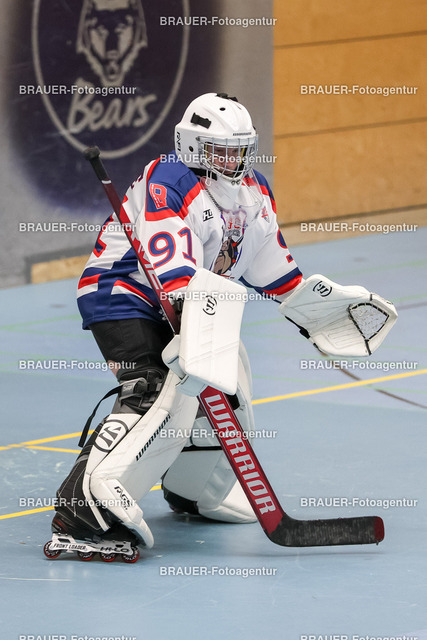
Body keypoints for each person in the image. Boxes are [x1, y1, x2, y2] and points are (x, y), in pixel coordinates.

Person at [45, 92, 396, 561]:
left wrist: (317, 307)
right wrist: (196, 335)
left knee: (232, 386)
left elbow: (273, 271)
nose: (233, 160)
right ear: (191, 145)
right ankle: (82, 509)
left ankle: (195, 491)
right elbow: (173, 272)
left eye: (240, 149)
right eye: (220, 150)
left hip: (193, 300)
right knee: (153, 388)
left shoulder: (255, 192)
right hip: (123, 294)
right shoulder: (168, 177)